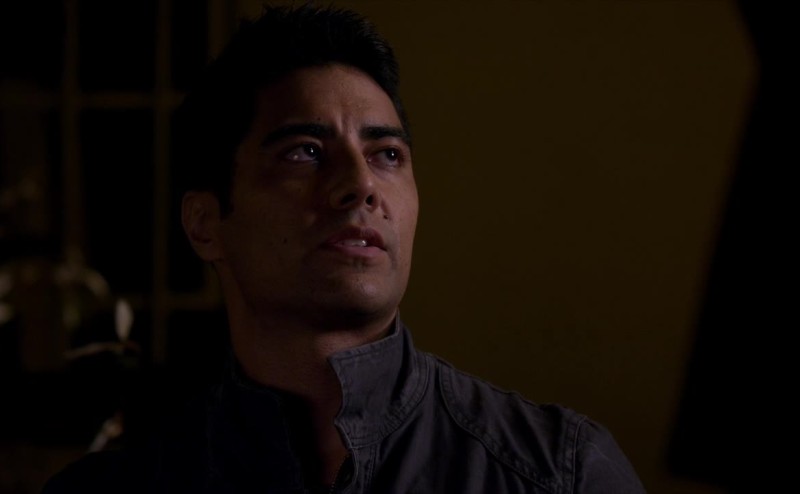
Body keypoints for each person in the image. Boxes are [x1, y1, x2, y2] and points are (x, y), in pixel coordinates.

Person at [43, 4, 646, 493]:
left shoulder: (558, 473)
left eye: (387, 155)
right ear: (205, 224)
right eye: (304, 152)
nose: (360, 184)